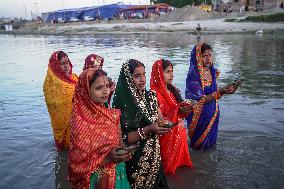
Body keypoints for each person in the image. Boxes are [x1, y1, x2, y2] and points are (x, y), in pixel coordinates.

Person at [68, 68, 131, 189]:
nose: (106, 91)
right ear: (86, 91)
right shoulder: (80, 123)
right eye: (99, 88)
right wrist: (107, 159)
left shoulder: (111, 115)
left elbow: (118, 143)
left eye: (107, 86)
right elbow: (76, 166)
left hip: (117, 172)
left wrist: (124, 152)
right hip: (96, 181)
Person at [112, 59, 170, 188]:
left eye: (144, 74)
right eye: (137, 76)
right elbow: (123, 140)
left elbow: (160, 119)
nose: (143, 79)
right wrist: (148, 129)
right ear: (128, 78)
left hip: (154, 155)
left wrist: (163, 125)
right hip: (136, 159)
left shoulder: (151, 97)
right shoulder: (121, 104)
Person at [185, 43, 240, 150]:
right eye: (204, 56)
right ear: (198, 57)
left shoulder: (213, 72)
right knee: (198, 148)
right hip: (199, 118)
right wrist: (220, 92)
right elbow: (201, 100)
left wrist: (228, 90)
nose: (208, 58)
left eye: (210, 55)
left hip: (213, 114)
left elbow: (216, 93)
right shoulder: (193, 75)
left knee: (211, 147)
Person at [150, 59, 193, 175]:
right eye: (168, 71)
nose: (172, 75)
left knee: (181, 169)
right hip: (167, 137)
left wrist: (186, 109)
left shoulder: (173, 90)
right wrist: (178, 110)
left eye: (172, 71)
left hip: (180, 135)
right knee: (168, 170)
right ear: (158, 73)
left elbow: (181, 114)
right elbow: (160, 121)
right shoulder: (153, 94)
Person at [43, 51, 78, 150]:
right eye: (62, 64)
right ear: (55, 66)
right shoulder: (50, 83)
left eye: (67, 62)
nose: (66, 66)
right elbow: (53, 103)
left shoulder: (74, 77)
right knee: (66, 151)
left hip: (77, 120)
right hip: (62, 123)